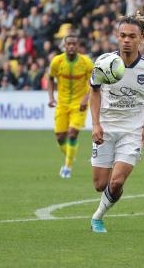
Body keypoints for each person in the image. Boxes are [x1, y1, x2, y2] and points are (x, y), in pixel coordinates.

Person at [89, 13, 144, 233]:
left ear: (141, 38)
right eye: (122, 36)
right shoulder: (104, 63)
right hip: (106, 128)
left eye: (132, 36)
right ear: (117, 36)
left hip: (133, 131)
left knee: (117, 181)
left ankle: (97, 217)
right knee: (100, 185)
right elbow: (94, 92)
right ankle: (105, 201)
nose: (126, 40)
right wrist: (95, 124)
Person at [47, 33, 94, 179]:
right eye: (69, 44)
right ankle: (70, 156)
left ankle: (67, 167)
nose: (72, 46)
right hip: (62, 103)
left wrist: (86, 99)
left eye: (74, 44)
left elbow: (94, 83)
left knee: (72, 133)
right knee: (60, 137)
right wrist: (51, 97)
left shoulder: (86, 63)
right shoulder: (57, 62)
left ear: (78, 46)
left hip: (79, 104)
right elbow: (50, 79)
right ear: (65, 46)